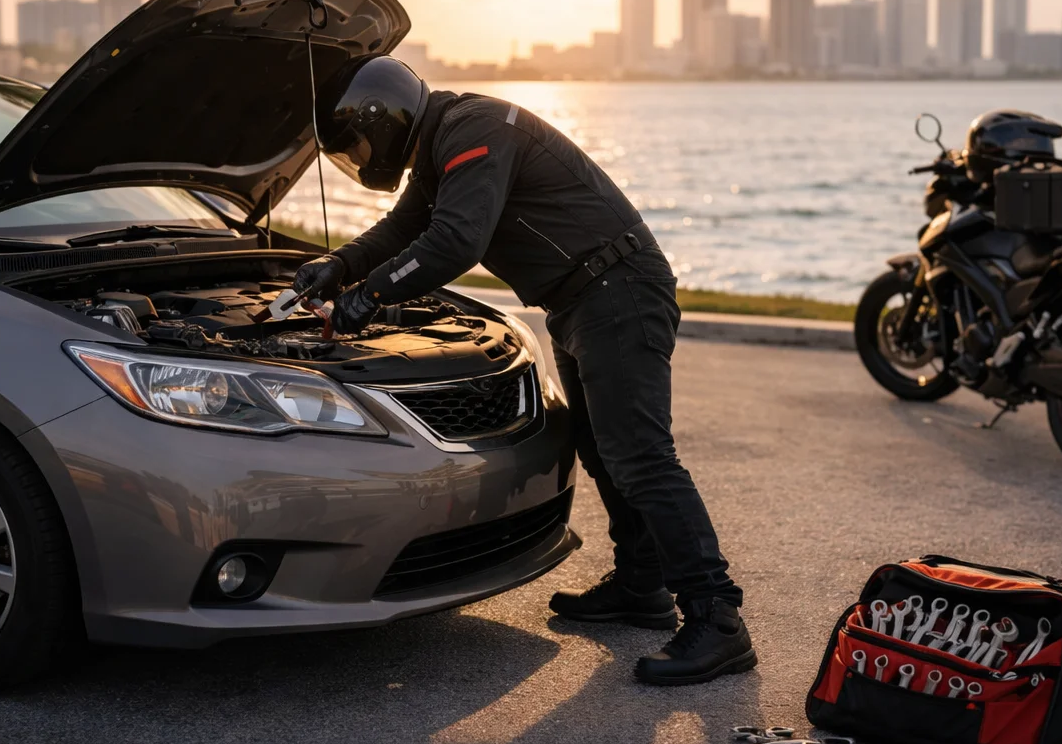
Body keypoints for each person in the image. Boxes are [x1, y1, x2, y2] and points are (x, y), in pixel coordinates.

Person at [293, 55, 754, 685]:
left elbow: (456, 241)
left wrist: (371, 295)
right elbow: (408, 226)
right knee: (598, 444)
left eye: (361, 139)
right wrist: (341, 266)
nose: (362, 154)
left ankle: (718, 617)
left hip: (617, 291)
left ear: (386, 115)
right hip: (582, 299)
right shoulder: (439, 143)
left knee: (641, 454)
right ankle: (643, 586)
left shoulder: (472, 129)